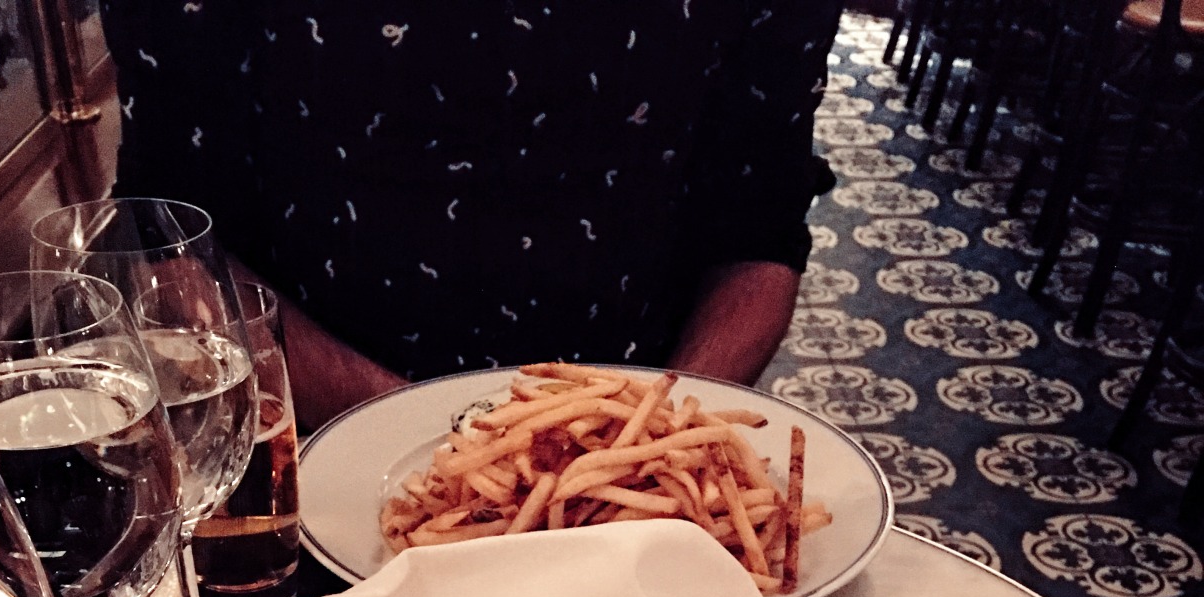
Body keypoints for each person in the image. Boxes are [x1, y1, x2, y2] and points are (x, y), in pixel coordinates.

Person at [99, 2, 839, 427]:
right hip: (308, 451)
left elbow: (758, 229)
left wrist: (648, 441)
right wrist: (431, 444)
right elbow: (168, 242)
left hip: (643, 454)